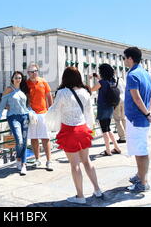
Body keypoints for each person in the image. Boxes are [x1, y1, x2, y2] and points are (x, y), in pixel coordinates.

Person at [44, 67, 103, 204]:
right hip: (83, 129)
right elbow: (89, 112)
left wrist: (47, 117)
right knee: (87, 161)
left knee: (75, 164)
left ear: (65, 78)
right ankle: (97, 190)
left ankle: (80, 196)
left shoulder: (62, 92)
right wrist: (90, 128)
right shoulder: (85, 92)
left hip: (69, 131)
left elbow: (55, 110)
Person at [123, 47, 151, 193]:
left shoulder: (132, 75)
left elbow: (136, 98)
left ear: (130, 58)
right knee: (140, 148)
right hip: (141, 118)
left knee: (141, 151)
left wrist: (146, 113)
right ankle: (139, 175)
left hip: (136, 119)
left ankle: (143, 183)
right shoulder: (145, 74)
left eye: (124, 58)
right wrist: (149, 112)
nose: (123, 60)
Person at [0, 71, 31, 175]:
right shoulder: (8, 90)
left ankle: (23, 164)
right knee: (19, 140)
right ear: (12, 79)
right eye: (16, 77)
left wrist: (30, 112)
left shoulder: (22, 89)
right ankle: (18, 158)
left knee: (24, 141)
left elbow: (26, 104)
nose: (18, 79)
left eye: (19, 78)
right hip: (13, 117)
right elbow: (2, 104)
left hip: (24, 117)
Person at [26, 63, 54, 171]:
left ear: (38, 71)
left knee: (45, 137)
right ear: (28, 73)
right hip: (32, 114)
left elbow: (49, 96)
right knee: (33, 138)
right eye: (31, 72)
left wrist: (51, 109)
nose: (34, 73)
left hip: (43, 113)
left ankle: (49, 161)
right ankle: (37, 159)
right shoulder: (26, 84)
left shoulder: (43, 82)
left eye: (35, 71)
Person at [90, 64, 122, 156]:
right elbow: (103, 83)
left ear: (102, 72)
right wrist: (98, 78)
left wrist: (91, 80)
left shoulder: (102, 82)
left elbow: (92, 89)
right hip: (110, 107)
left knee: (104, 131)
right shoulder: (112, 81)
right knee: (108, 128)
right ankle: (116, 147)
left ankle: (108, 150)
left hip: (103, 108)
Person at [113, 77, 126, 143]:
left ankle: (122, 137)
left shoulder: (110, 80)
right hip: (124, 99)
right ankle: (126, 136)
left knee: (117, 119)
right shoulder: (120, 79)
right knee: (124, 118)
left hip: (116, 100)